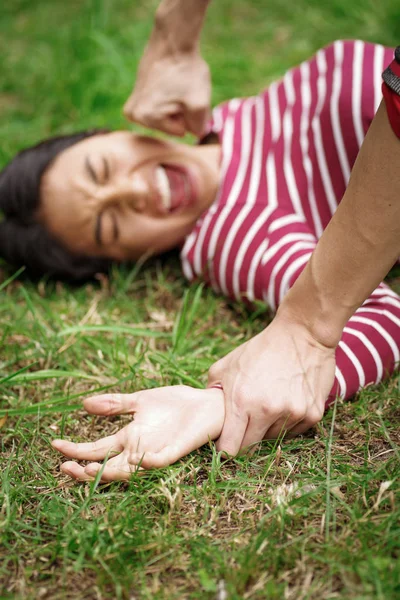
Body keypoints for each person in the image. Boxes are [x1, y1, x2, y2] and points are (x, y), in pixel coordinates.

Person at [1, 38, 399, 479]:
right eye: (110, 226)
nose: (133, 192)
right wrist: (224, 404)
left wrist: (176, 36)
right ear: (131, 258)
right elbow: (380, 316)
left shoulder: (232, 116)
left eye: (103, 168)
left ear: (113, 133)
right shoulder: (232, 234)